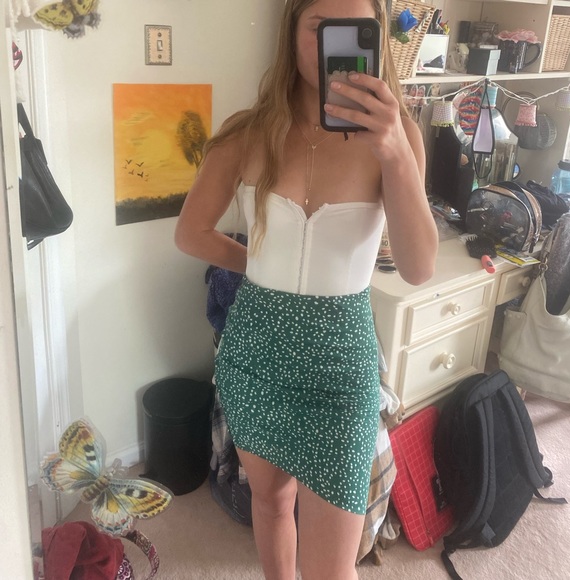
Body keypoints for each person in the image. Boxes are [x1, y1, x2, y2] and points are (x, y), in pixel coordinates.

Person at [175, 0, 438, 578]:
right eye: (320, 28)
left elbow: (419, 267)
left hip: (341, 370)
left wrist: (394, 151)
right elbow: (191, 232)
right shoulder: (247, 133)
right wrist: (259, 267)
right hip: (255, 354)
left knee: (331, 569)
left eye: (354, 30)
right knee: (270, 504)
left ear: (375, 39)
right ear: (291, 32)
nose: (332, 48)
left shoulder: (400, 137)